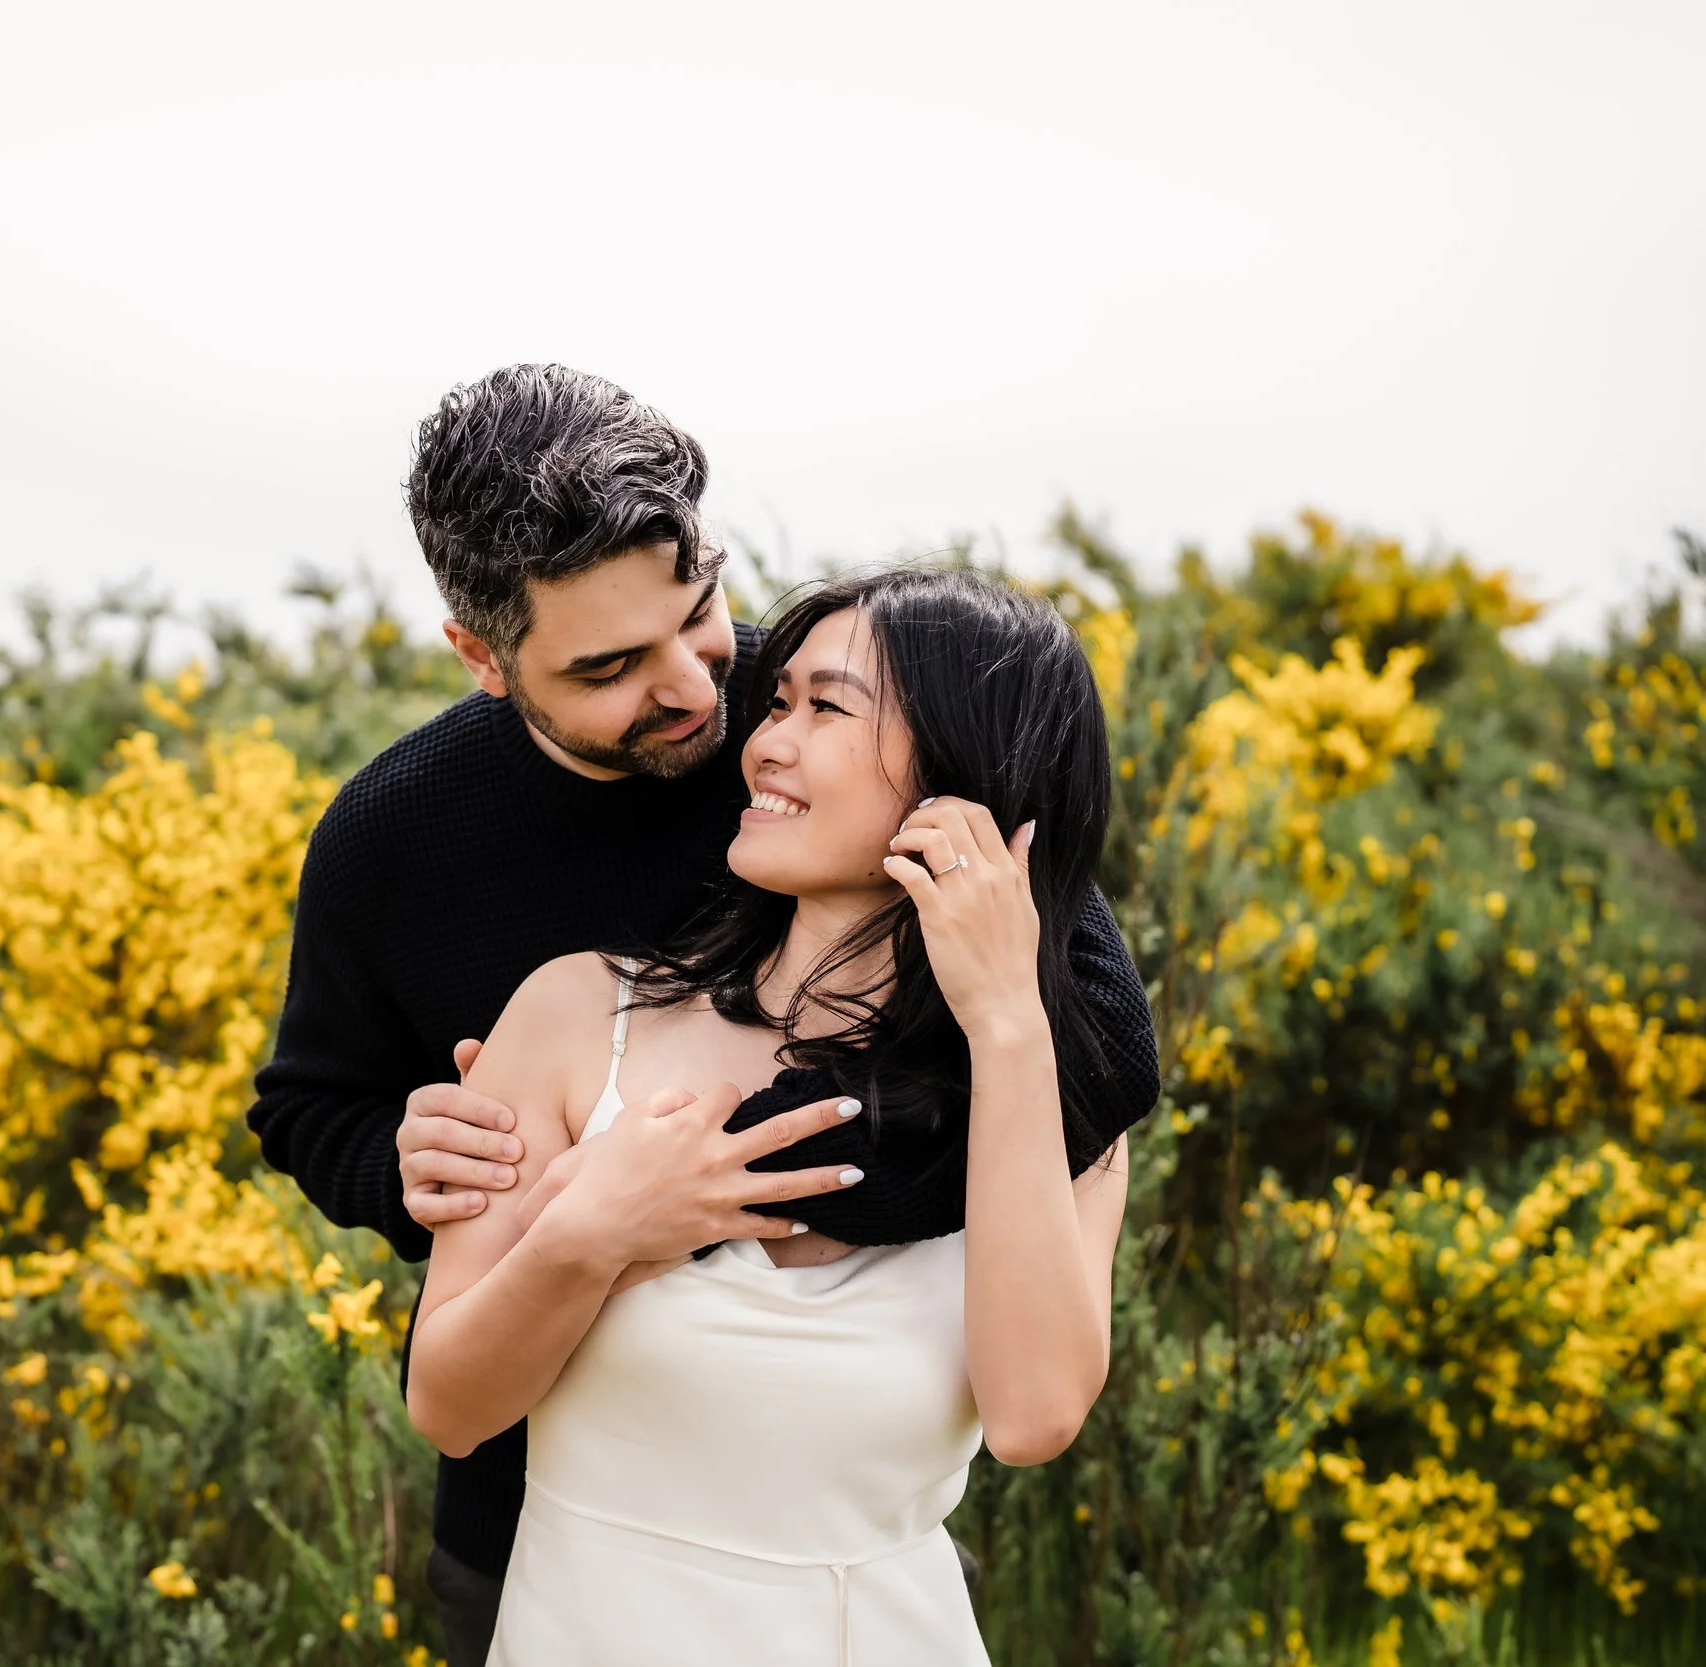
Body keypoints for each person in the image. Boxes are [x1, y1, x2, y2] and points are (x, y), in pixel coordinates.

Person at [246, 364, 1158, 1665]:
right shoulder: (398, 841)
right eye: (613, 664)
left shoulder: (823, 706)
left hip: (837, 1501)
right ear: (485, 657)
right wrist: (453, 1168)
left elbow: (1092, 1043)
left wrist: (758, 1172)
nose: (705, 694)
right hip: (548, 1505)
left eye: (701, 611)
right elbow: (307, 1106)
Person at [407, 568, 1128, 1665]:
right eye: (776, 701)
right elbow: (451, 1406)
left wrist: (1008, 1027)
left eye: (825, 707)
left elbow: (1032, 1419)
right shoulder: (576, 1015)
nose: (764, 744)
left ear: (964, 778)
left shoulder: (1054, 1092)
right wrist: (594, 1232)